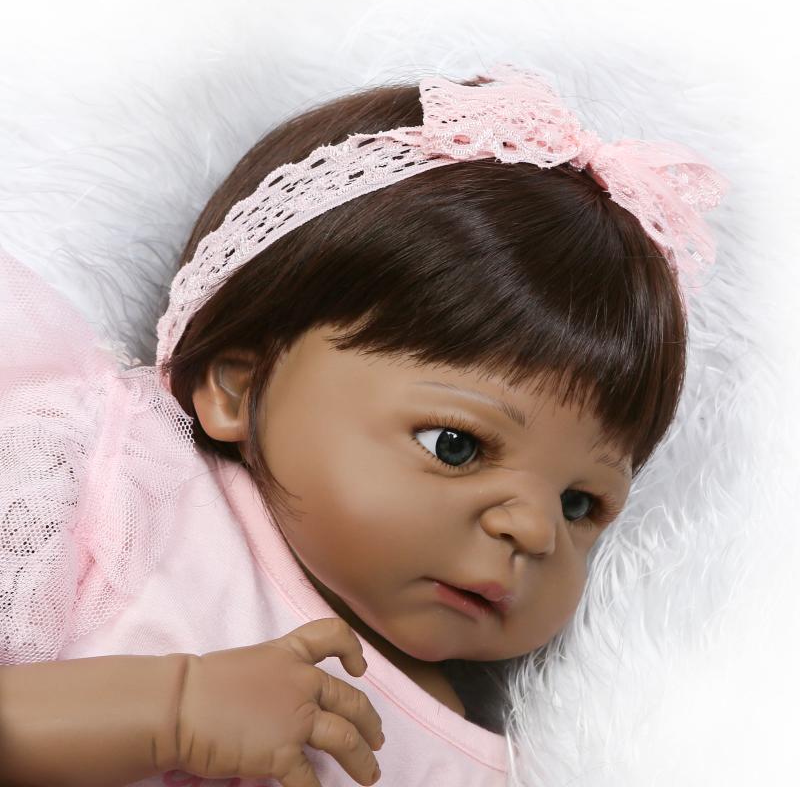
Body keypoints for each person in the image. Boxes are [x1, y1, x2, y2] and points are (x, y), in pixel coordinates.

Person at [0, 62, 728, 787]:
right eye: (456, 445)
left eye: (578, 504)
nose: (535, 531)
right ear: (237, 387)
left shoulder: (470, 771)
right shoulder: (115, 480)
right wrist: (172, 712)